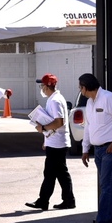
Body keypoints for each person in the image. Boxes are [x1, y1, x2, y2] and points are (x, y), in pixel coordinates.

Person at [79, 72, 112, 223]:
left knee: (106, 186)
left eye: (80, 87)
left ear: (85, 87)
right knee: (108, 186)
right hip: (99, 150)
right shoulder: (90, 103)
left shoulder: (108, 98)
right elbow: (88, 126)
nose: (80, 90)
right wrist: (85, 148)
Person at [25, 74, 76, 212]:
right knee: (59, 173)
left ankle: (44, 201)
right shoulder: (54, 99)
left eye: (42, 85)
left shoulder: (54, 101)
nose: (41, 88)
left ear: (47, 86)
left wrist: (43, 129)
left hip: (57, 143)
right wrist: (46, 139)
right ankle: (68, 200)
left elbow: (59, 122)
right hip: (55, 141)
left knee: (51, 173)